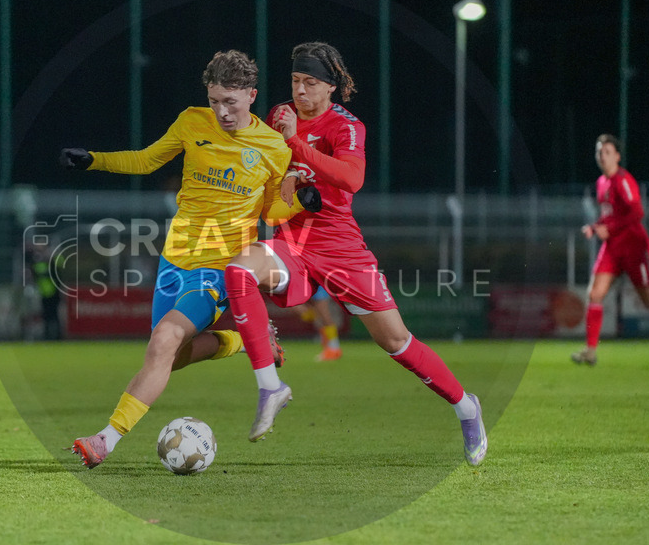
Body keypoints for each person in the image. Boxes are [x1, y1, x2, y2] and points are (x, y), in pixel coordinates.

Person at [223, 41, 488, 466]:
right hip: (292, 242)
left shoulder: (346, 127)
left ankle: (466, 408)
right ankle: (270, 385)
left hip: (341, 250)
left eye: (311, 83)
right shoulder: (278, 115)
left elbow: (352, 178)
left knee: (398, 343)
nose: (301, 91)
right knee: (237, 272)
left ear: (331, 88)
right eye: (295, 81)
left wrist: (298, 147)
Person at [62, 50, 291, 469]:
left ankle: (105, 441)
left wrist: (300, 197)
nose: (222, 111)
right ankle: (244, 341)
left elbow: (275, 211)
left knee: (165, 340)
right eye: (215, 100)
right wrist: (95, 160)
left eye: (231, 102)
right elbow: (148, 159)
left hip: (221, 265)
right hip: (174, 258)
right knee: (167, 355)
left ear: (252, 96)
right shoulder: (191, 121)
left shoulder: (273, 147)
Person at [572, 134, 649, 366]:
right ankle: (590, 351)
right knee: (595, 294)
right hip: (612, 248)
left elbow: (637, 213)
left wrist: (608, 229)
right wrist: (595, 227)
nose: (602, 156)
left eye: (607, 152)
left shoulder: (623, 180)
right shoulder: (601, 183)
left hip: (633, 247)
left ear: (617, 156)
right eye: (599, 152)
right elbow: (610, 216)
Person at [293, 286, 343, 361]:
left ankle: (334, 348)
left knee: (325, 316)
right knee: (295, 305)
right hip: (307, 282)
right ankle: (330, 349)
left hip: (318, 284)